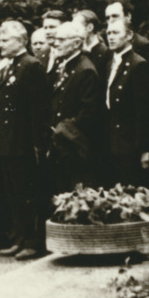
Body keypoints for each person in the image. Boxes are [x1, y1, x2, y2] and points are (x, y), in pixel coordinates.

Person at [0, 19, 50, 258]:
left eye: (5, 40)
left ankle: (33, 240)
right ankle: (20, 236)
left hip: (24, 141)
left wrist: (39, 143)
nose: (0, 44)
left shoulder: (31, 65)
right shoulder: (8, 67)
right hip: (8, 140)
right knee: (13, 192)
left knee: (28, 192)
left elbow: (37, 108)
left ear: (20, 41)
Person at [103, 0, 149, 186]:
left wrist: (145, 149)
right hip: (113, 141)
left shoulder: (138, 64)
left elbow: (145, 110)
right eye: (108, 33)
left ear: (129, 36)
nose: (110, 37)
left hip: (130, 144)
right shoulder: (111, 61)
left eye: (116, 33)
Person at [48, 20, 103, 194]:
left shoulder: (85, 69)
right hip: (59, 146)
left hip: (75, 147)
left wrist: (63, 129)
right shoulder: (61, 65)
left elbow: (88, 113)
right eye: (56, 39)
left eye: (62, 40)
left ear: (77, 43)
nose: (56, 44)